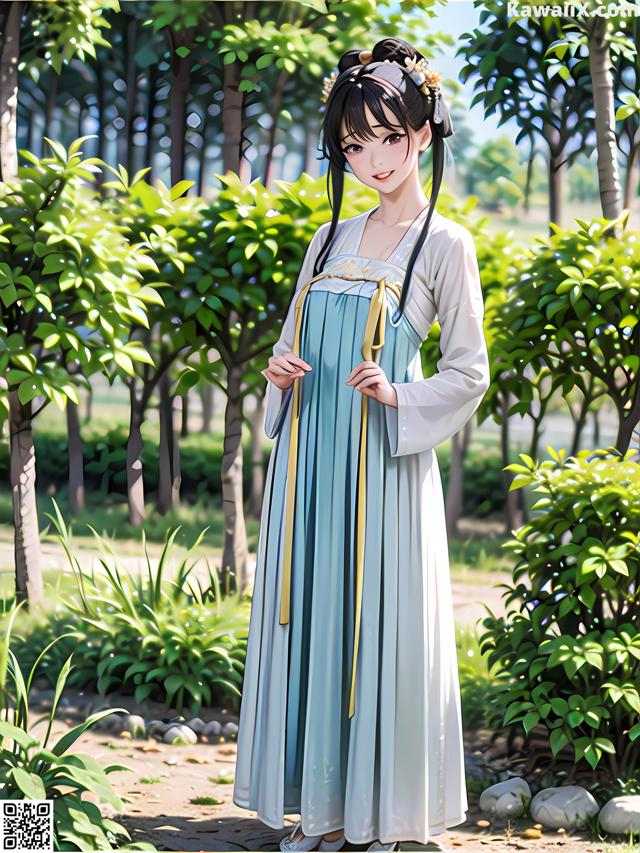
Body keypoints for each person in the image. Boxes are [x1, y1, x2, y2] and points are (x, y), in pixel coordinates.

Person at [232, 36, 491, 853]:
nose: (373, 158)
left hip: (382, 474)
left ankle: (383, 819)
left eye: (388, 137)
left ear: (422, 135)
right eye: (354, 143)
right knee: (314, 623)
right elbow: (288, 353)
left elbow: (470, 371)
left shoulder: (445, 244)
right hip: (310, 471)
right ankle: (326, 812)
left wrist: (399, 394)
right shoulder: (328, 240)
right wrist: (278, 377)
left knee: (374, 629)